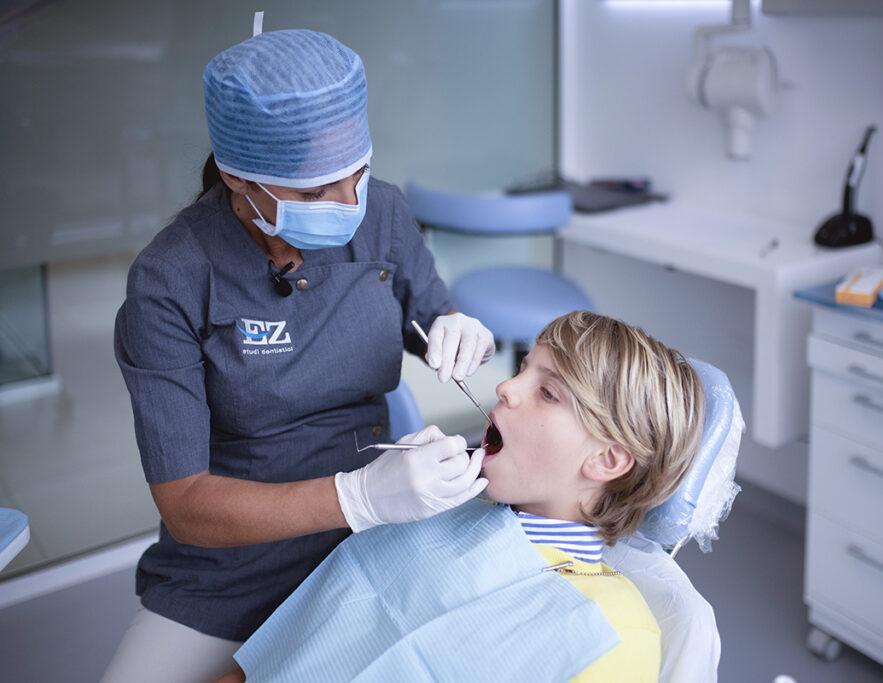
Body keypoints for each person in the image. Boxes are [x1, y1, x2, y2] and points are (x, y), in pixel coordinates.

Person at [103, 20, 494, 683]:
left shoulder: (386, 214)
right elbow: (186, 503)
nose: (350, 205)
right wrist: (358, 496)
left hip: (373, 545)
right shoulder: (171, 279)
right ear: (237, 177)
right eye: (315, 191)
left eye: (358, 173)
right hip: (229, 560)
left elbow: (432, 311)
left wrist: (457, 324)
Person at [213, 310, 706, 682]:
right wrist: (363, 496)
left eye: (548, 392)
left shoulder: (615, 632)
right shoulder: (429, 510)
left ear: (607, 461)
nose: (506, 387)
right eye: (524, 369)